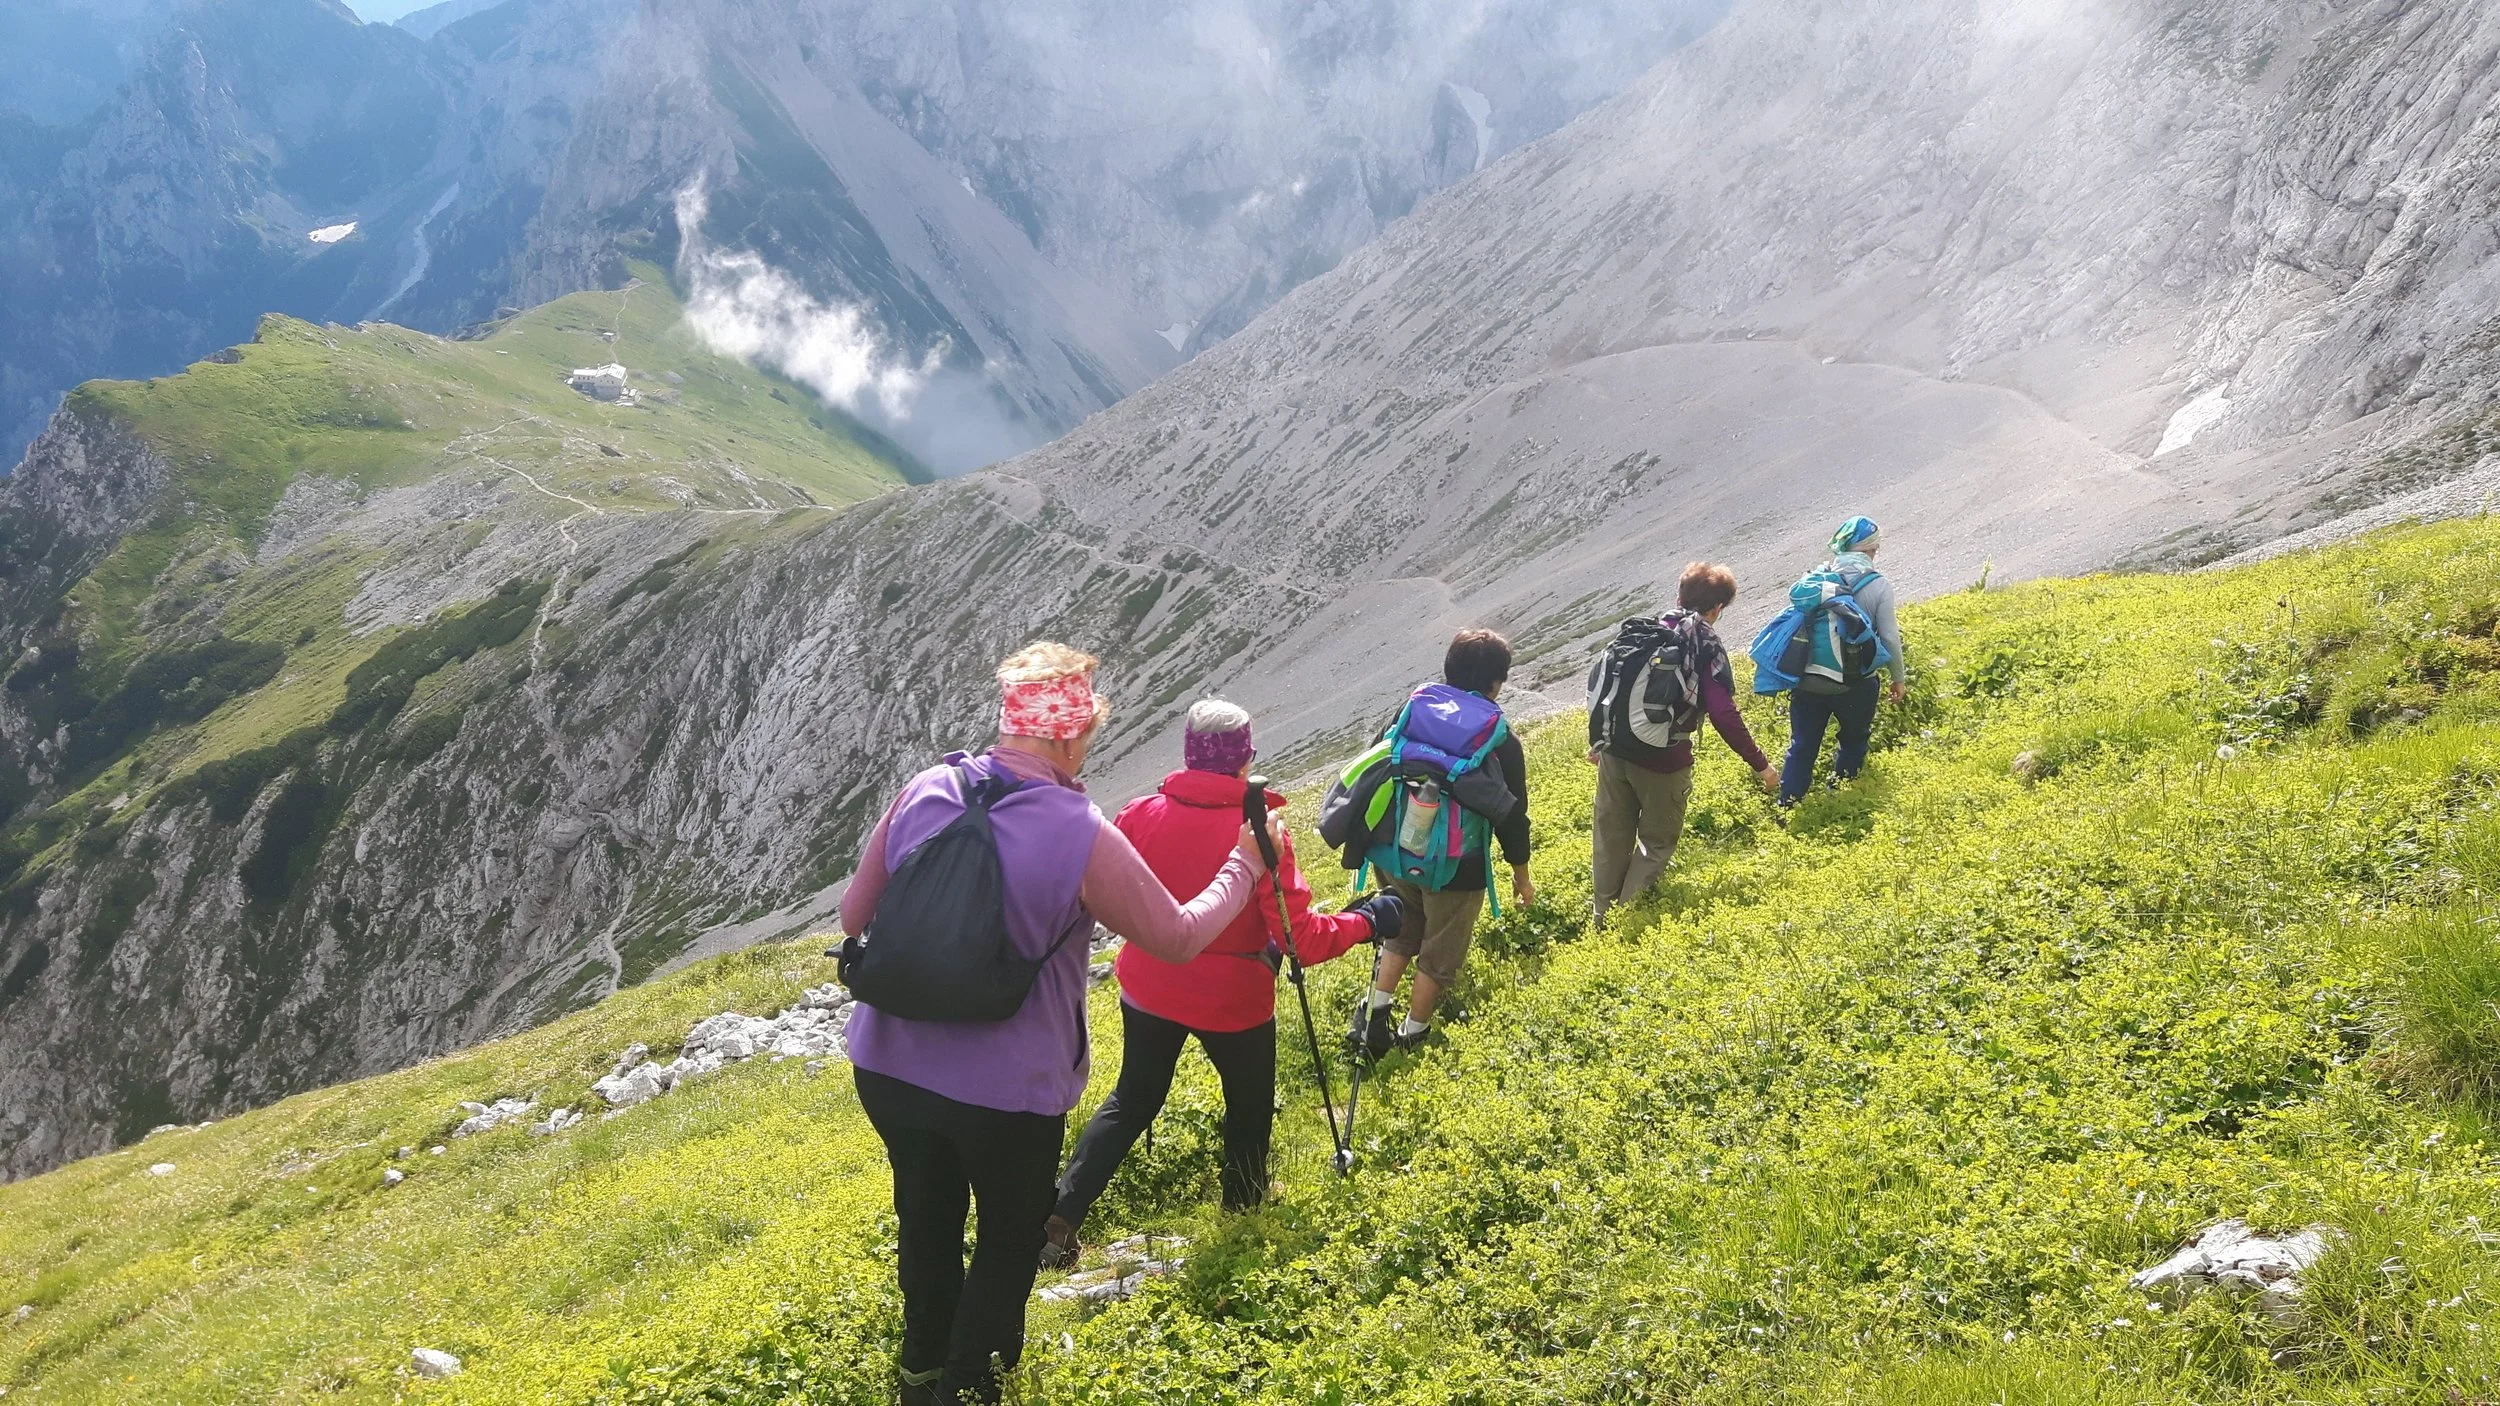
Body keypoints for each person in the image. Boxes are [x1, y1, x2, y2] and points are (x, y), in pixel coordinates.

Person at [839, 643, 1278, 1406]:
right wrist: (1245, 864)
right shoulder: (1077, 825)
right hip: (1008, 1088)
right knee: (1009, 1240)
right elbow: (1174, 937)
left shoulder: (928, 785)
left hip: (889, 1062)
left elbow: (853, 915)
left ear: (1010, 725)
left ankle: (920, 1376)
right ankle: (971, 1389)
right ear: (1072, 736)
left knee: (925, 1215)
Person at [1043, 699, 1403, 1266]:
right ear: (1244, 761)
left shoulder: (1140, 813)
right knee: (1248, 1106)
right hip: (1233, 1000)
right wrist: (1368, 921)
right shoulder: (1260, 832)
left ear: (1189, 755)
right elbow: (1299, 940)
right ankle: (1241, 1213)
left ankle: (1059, 1217)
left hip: (1149, 982)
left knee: (1134, 1097)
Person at [1350, 629, 1532, 1056]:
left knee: (1401, 926)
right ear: (1496, 682)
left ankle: (1372, 1017)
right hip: (1456, 865)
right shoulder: (1498, 737)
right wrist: (1521, 876)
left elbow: (1377, 762)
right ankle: (1412, 1036)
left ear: (1449, 670)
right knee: (1440, 951)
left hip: (1394, 850)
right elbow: (1512, 814)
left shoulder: (1413, 710)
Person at [1586, 562, 1779, 925]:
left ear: (1679, 596)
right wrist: (1761, 765)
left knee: (1610, 839)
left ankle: (1601, 918)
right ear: (1717, 608)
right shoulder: (1704, 643)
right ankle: (1624, 923)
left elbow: (1611, 689)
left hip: (1613, 754)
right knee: (1655, 843)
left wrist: (1600, 741)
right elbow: (1723, 713)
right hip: (1663, 760)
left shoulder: (1646, 632)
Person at [1778, 516, 1908, 805]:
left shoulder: (1817, 579)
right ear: (1870, 550)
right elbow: (1889, 637)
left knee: (1802, 746)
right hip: (1855, 683)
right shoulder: (1878, 585)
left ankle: (1787, 805)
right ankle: (1841, 797)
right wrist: (1898, 678)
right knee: (1853, 738)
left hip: (1808, 679)